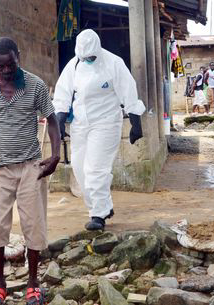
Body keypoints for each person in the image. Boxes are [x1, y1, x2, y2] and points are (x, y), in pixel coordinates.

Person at [0, 37, 61, 304]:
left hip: (31, 166)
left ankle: (33, 283)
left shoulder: (35, 85)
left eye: (11, 64)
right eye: (2, 66)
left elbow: (52, 121)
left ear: (18, 57)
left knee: (34, 226)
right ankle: (0, 285)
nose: (7, 70)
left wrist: (55, 155)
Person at [53, 29, 145, 231]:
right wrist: (59, 121)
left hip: (106, 123)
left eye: (91, 57)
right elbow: (62, 93)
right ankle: (103, 206)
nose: (88, 60)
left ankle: (98, 214)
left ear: (98, 49)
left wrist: (136, 124)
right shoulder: (75, 64)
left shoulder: (114, 63)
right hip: (80, 124)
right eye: (85, 57)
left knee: (95, 169)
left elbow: (128, 93)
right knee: (79, 167)